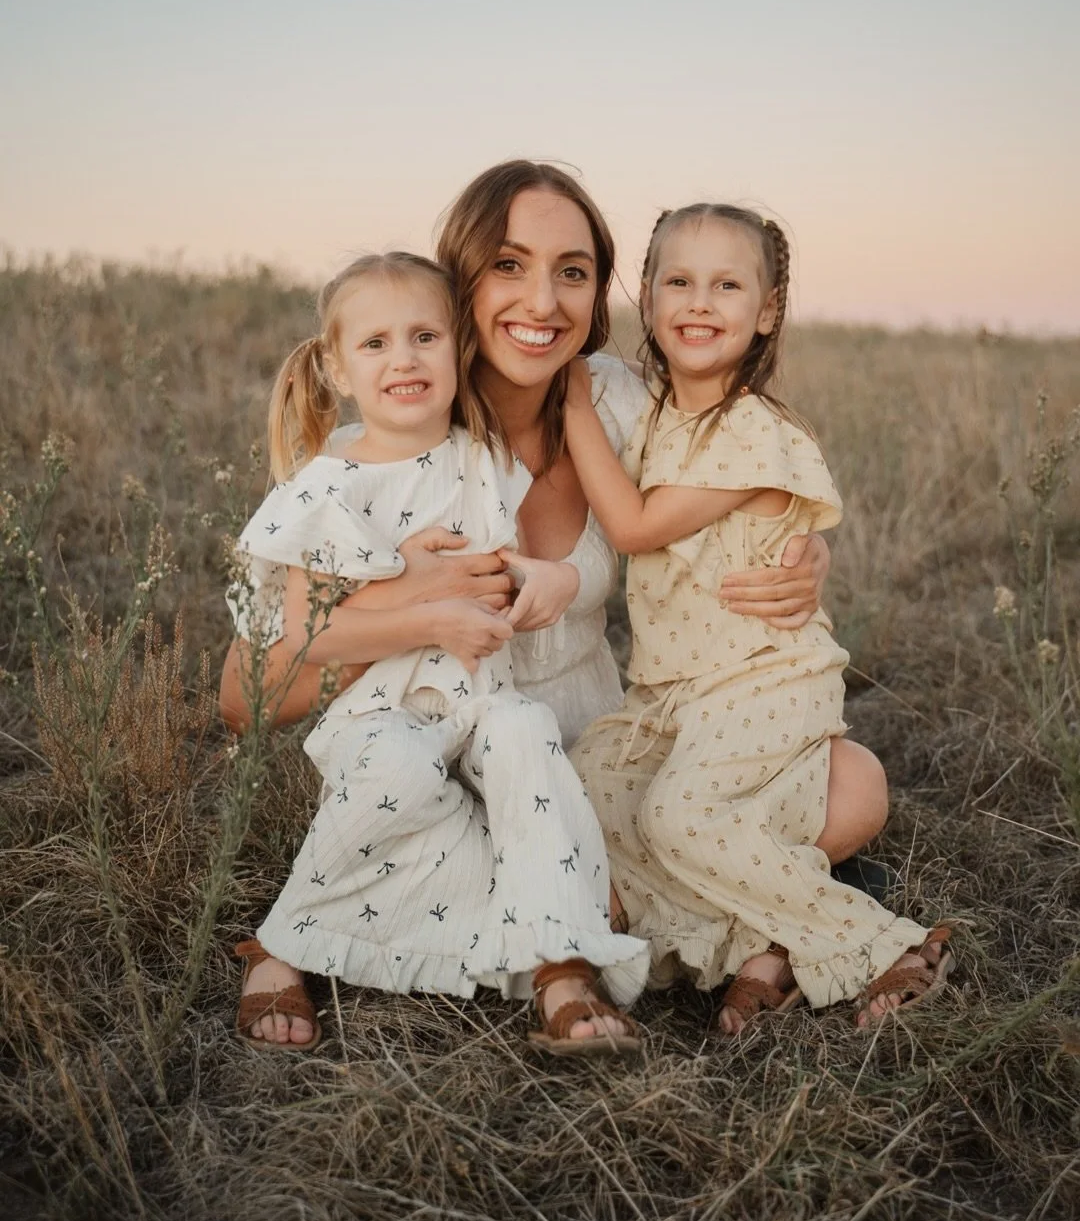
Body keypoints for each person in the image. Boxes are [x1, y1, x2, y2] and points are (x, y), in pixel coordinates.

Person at [220, 161, 893, 1041]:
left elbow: (738, 463)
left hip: (589, 745)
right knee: (547, 862)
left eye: (572, 271)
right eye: (509, 265)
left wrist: (804, 549)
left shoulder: (620, 402)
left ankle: (656, 913)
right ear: (459, 280)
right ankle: (705, 925)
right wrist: (410, 600)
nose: (542, 301)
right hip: (446, 757)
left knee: (854, 784)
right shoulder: (385, 441)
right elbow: (244, 699)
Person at [230, 250, 648, 1055]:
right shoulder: (326, 486)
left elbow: (503, 558)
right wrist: (428, 615)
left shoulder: (480, 457)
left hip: (480, 697)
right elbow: (304, 637)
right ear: (338, 369)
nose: (405, 359)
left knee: (526, 734)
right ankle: (282, 944)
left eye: (425, 337)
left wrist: (517, 583)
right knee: (397, 770)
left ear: (459, 350)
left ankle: (561, 965)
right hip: (379, 712)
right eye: (376, 343)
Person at [563, 204, 954, 1032]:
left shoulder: (753, 431)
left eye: (728, 286)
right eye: (678, 281)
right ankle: (758, 945)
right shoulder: (655, 410)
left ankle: (880, 942)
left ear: (767, 310)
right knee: (588, 786)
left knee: (680, 817)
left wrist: (570, 406)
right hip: (673, 693)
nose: (700, 303)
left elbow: (632, 525)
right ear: (646, 294)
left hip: (764, 678)